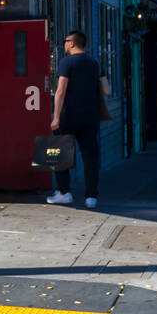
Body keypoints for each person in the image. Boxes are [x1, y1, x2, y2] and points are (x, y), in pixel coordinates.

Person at [46, 30, 106, 209]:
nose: (64, 44)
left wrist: (55, 116)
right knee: (90, 157)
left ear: (71, 43)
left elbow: (61, 90)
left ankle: (64, 193)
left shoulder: (67, 62)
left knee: (57, 153)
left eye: (65, 41)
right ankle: (91, 197)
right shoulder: (95, 63)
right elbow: (107, 90)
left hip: (69, 116)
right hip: (90, 116)